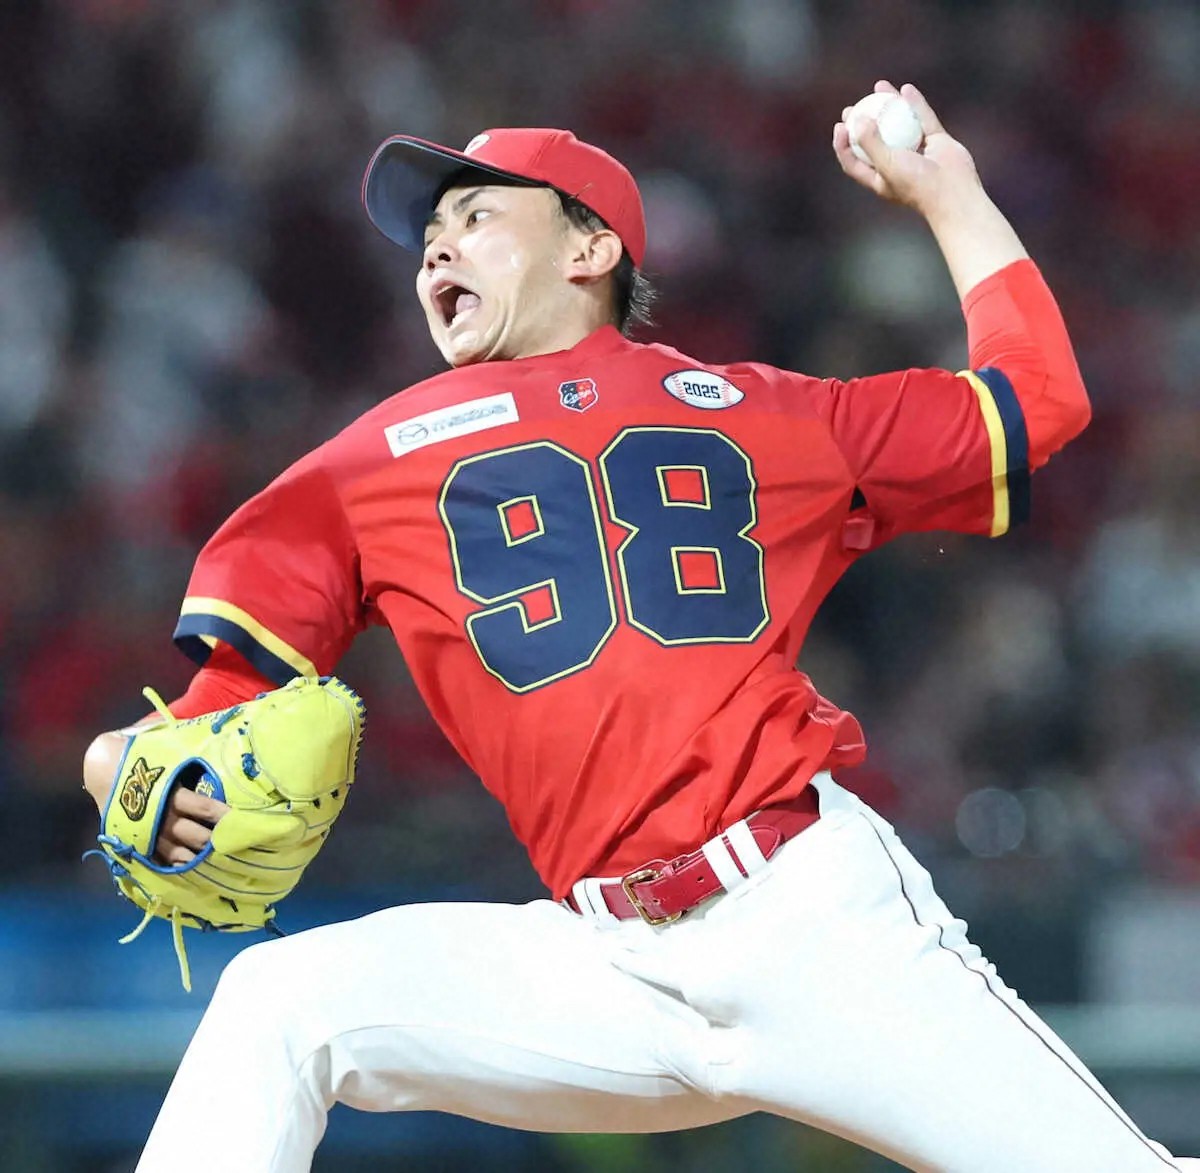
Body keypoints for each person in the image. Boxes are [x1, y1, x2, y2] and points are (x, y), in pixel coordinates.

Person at [82, 82, 1197, 1172]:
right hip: (601, 965)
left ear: (592, 248)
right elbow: (210, 713)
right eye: (428, 237)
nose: (437, 248)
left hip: (807, 923)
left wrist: (949, 190)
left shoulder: (768, 411)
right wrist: (118, 769)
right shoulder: (368, 461)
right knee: (280, 1003)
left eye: (477, 214)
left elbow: (1036, 403)